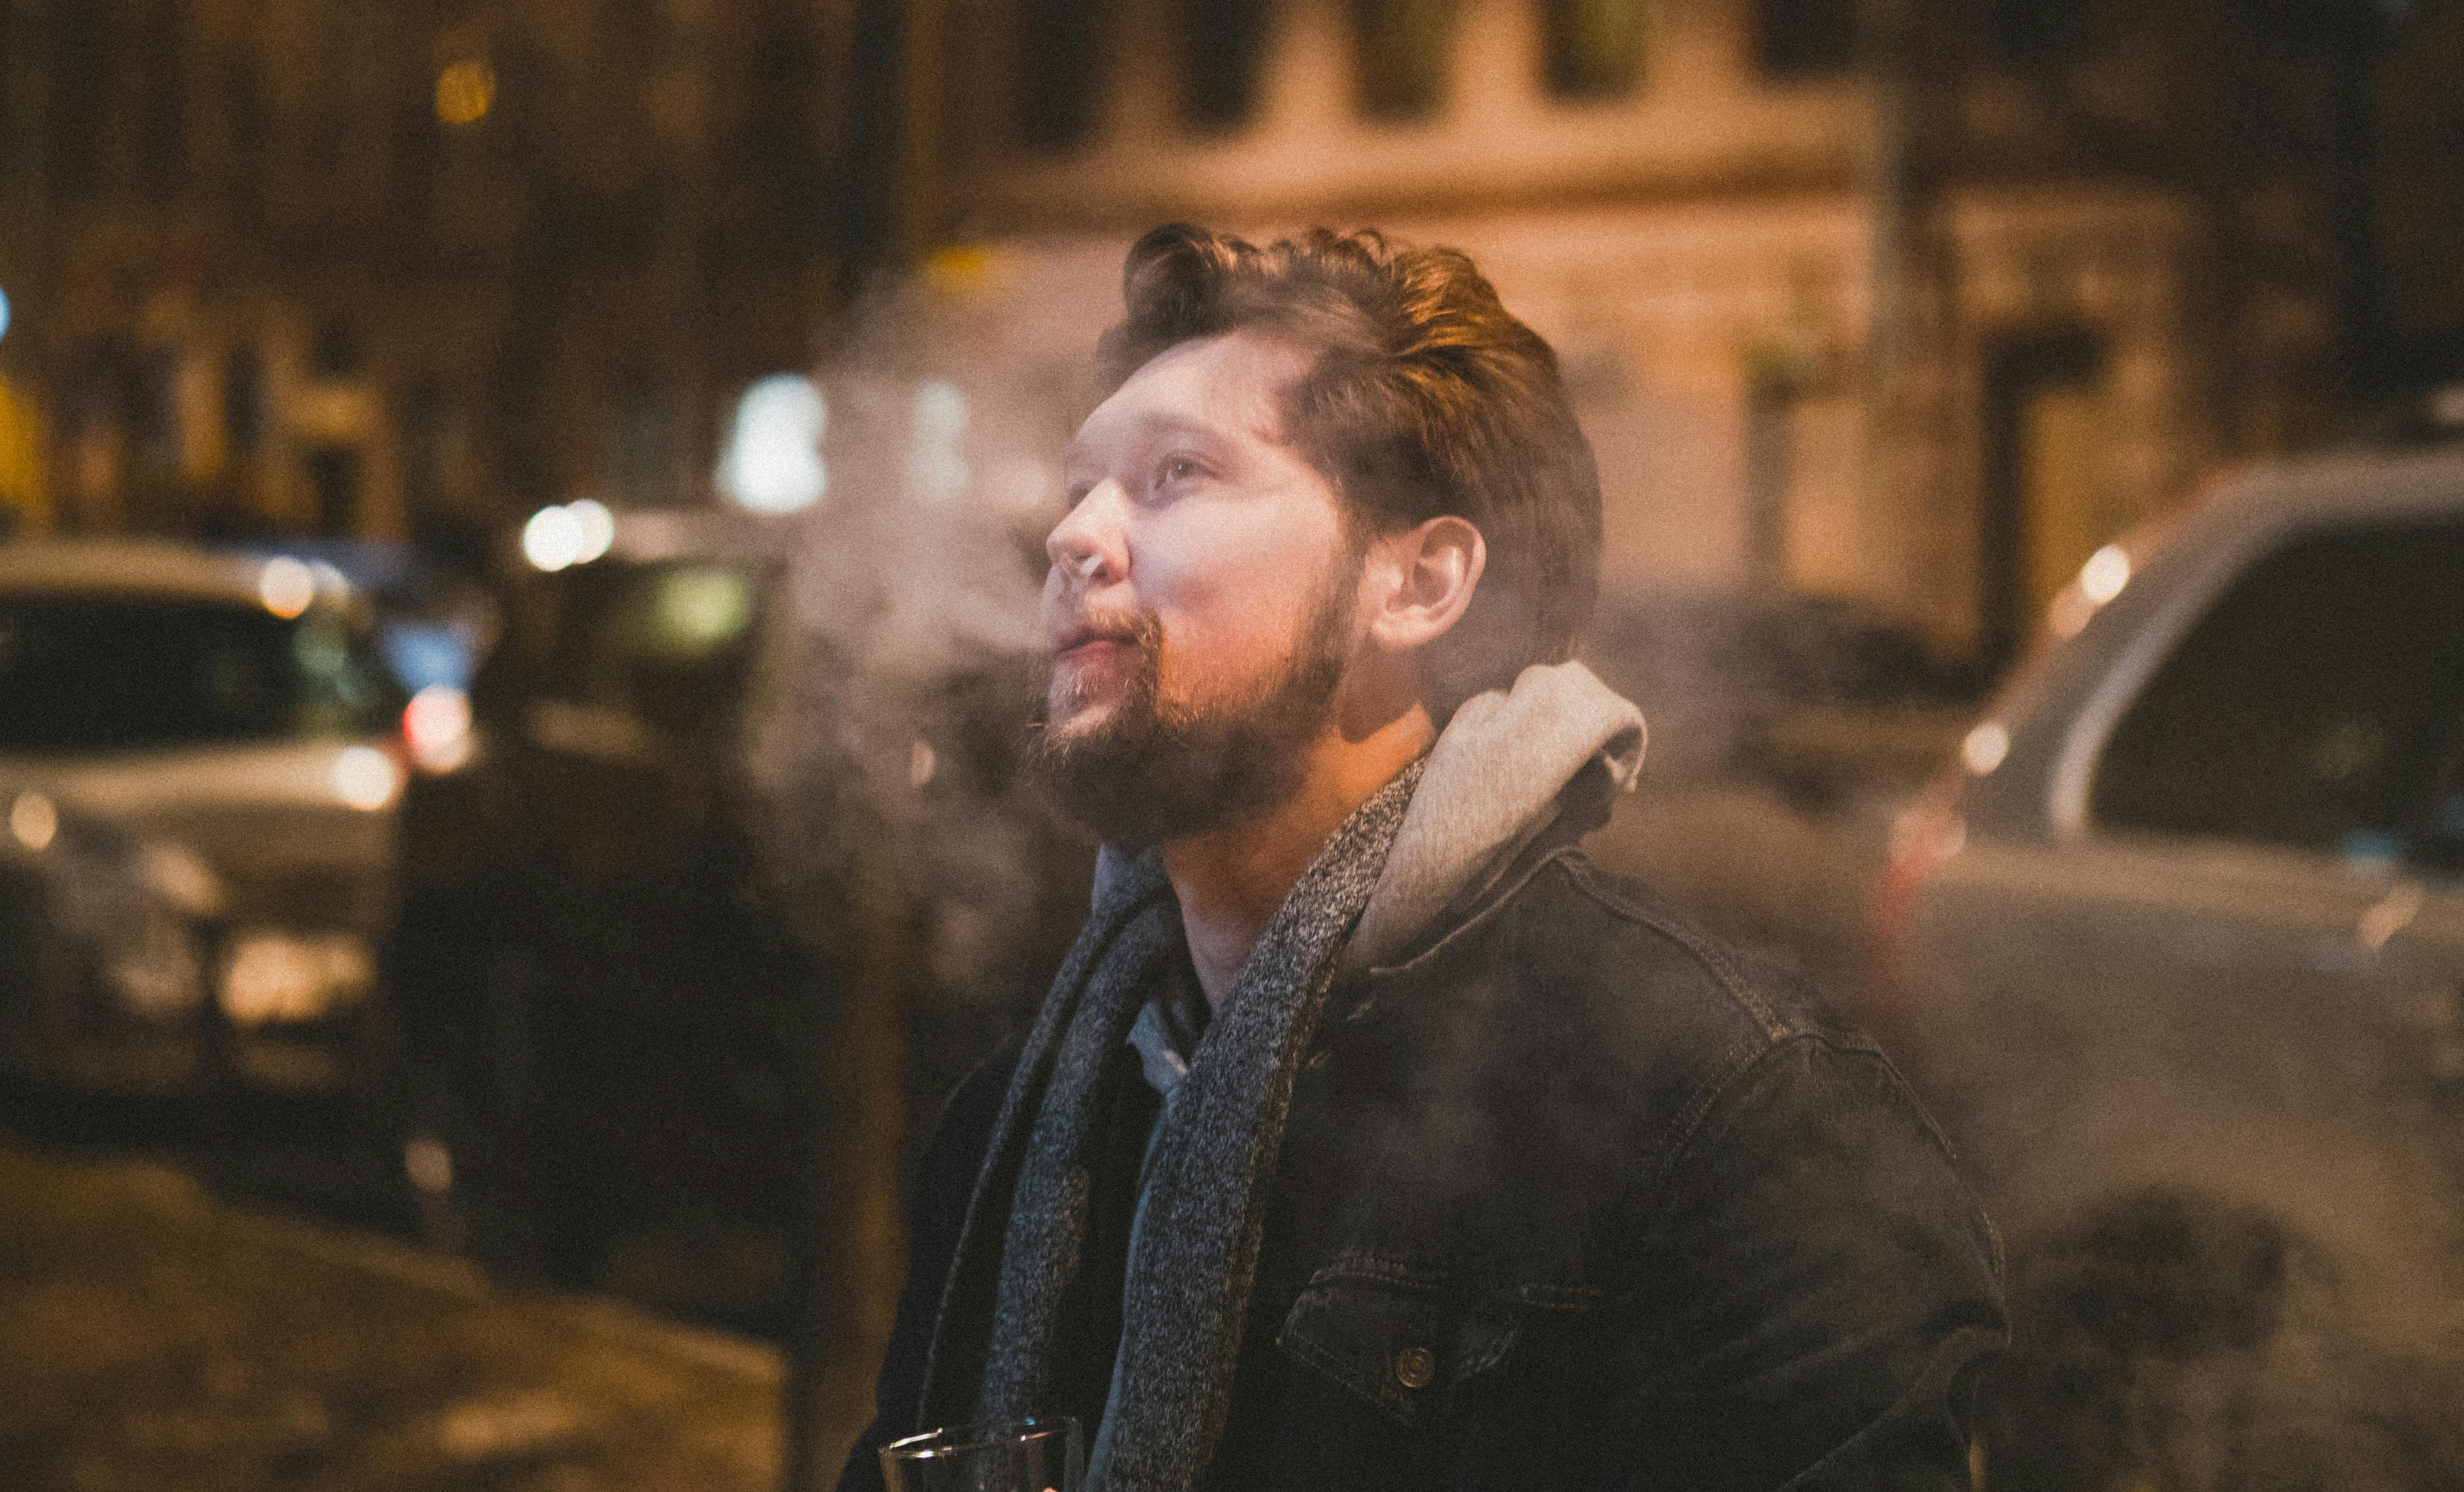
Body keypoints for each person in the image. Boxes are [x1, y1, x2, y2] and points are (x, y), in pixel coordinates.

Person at [839, 226, 2005, 1492]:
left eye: (1176, 474)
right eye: (1082, 485)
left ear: (1421, 580)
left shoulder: (1730, 1112)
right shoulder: (1024, 1124)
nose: (1077, 536)